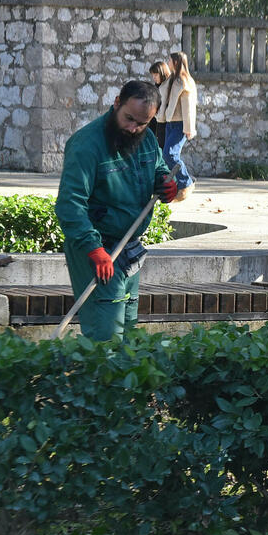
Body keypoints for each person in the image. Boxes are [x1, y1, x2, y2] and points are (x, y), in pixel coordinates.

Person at [55, 80, 177, 341]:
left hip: (129, 246)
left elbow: (158, 168)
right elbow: (69, 205)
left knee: (128, 330)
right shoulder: (86, 145)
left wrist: (165, 183)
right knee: (106, 336)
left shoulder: (147, 139)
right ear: (117, 103)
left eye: (142, 123)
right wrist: (94, 249)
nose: (133, 128)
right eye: (129, 119)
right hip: (97, 250)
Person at [156, 51, 197, 201]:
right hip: (170, 123)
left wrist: (189, 128)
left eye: (170, 60)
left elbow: (188, 107)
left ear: (176, 62)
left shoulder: (184, 82)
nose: (168, 62)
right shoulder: (172, 80)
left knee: (170, 154)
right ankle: (180, 184)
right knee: (166, 155)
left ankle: (186, 182)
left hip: (180, 124)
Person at [147, 60, 170, 148]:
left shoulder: (167, 86)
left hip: (164, 122)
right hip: (154, 120)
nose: (154, 77)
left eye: (156, 75)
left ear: (162, 73)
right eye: (152, 75)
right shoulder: (157, 86)